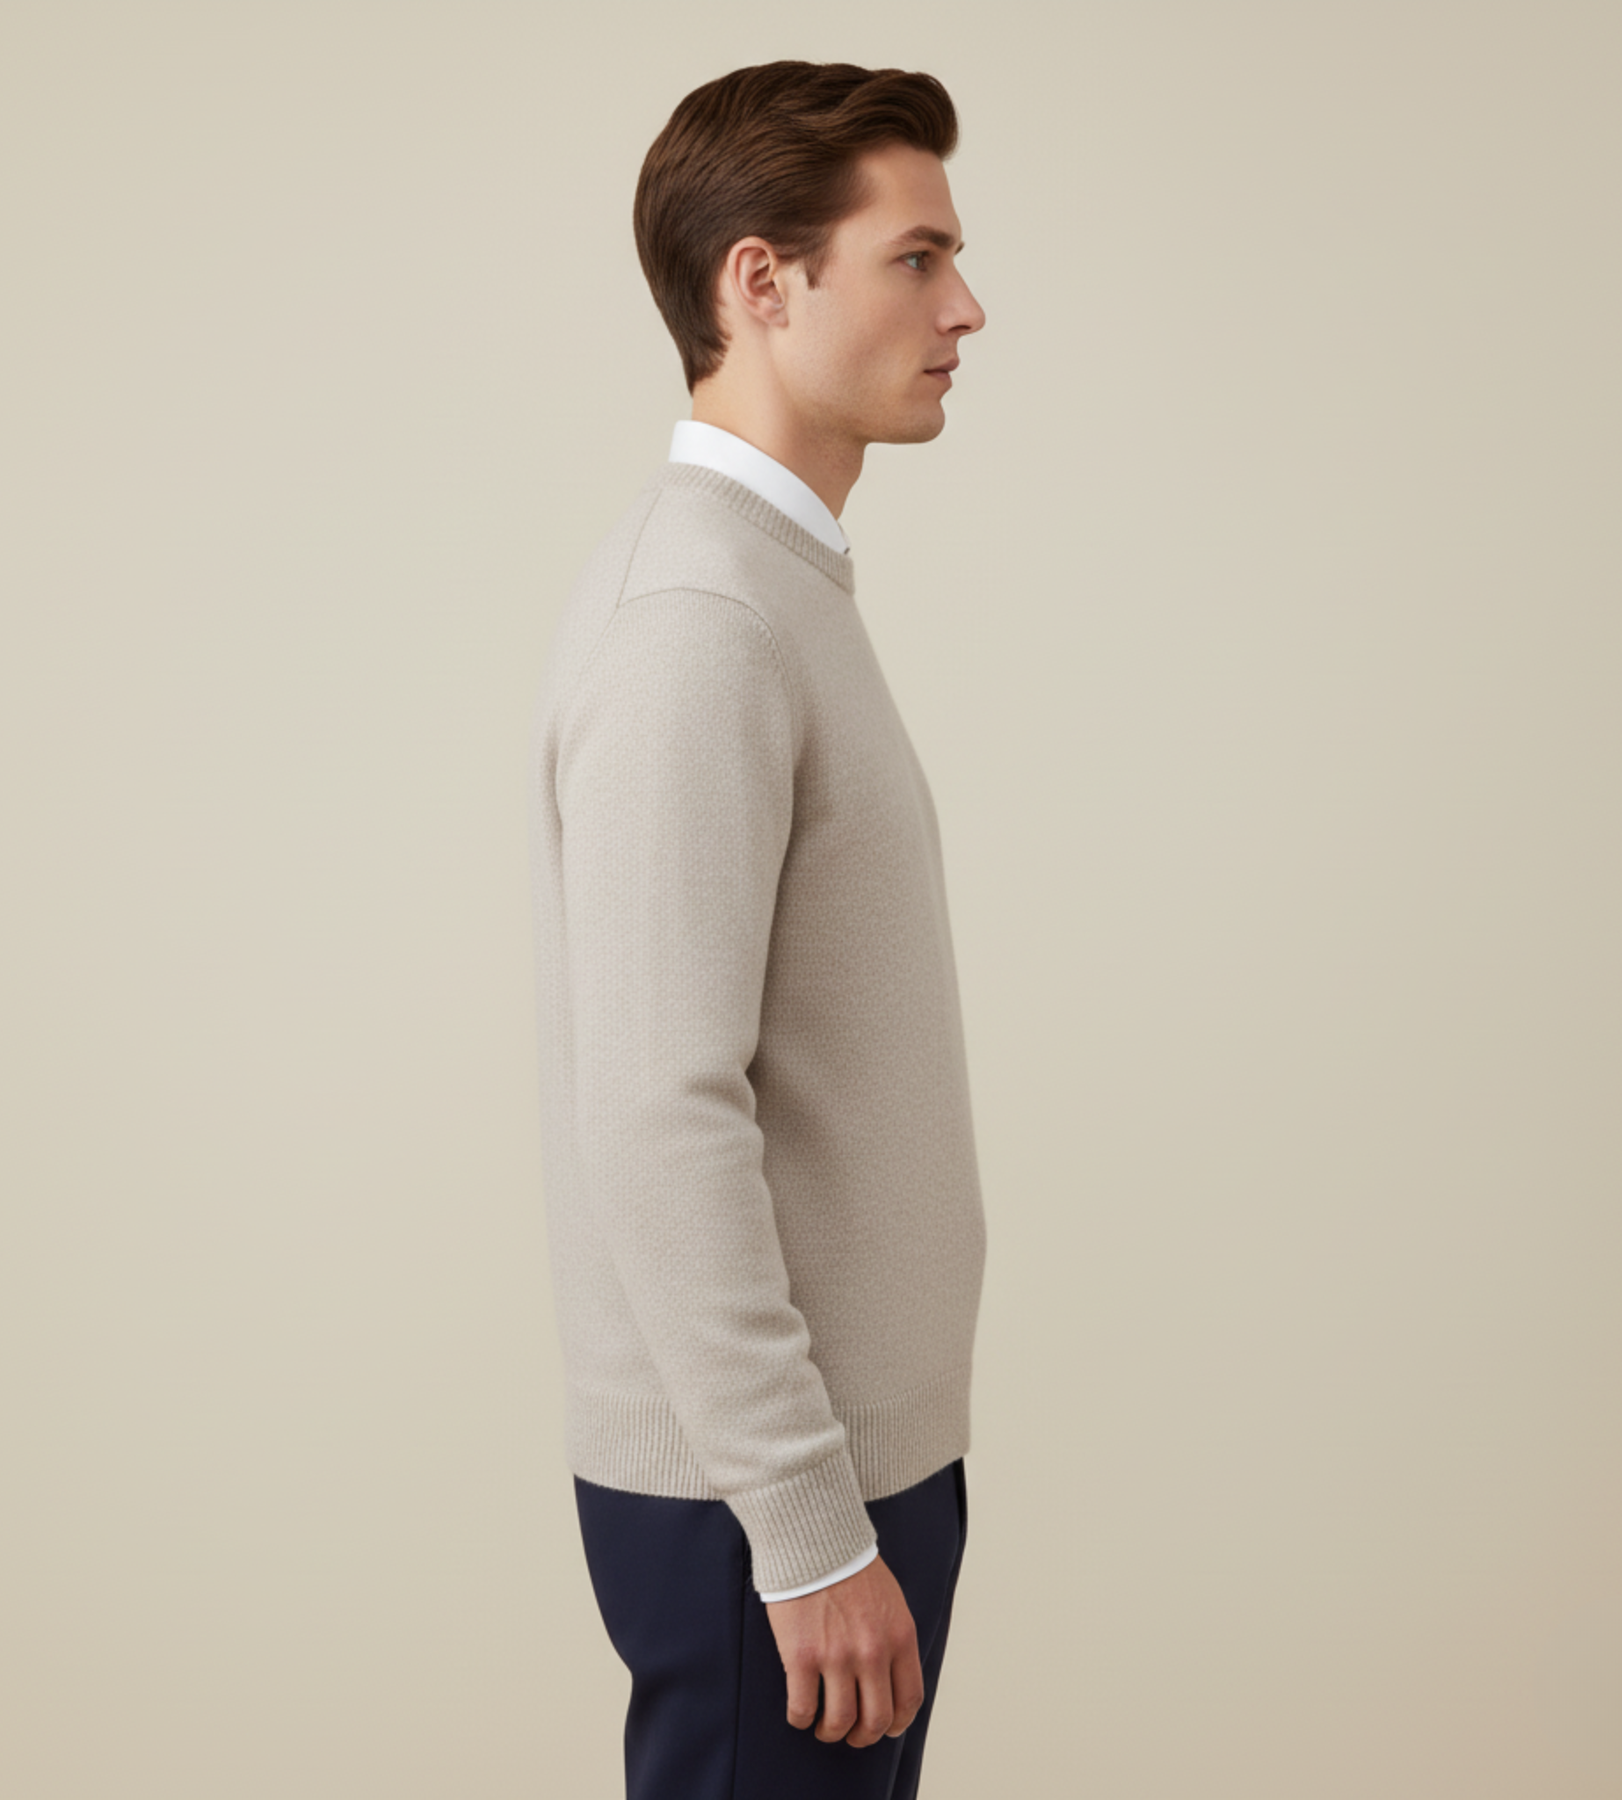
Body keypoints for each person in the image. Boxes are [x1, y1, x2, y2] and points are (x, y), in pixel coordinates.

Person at [527, 59, 989, 1800]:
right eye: (917, 257)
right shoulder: (698, 622)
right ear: (761, 282)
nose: (965, 307)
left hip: (829, 1474)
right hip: (767, 1503)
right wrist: (804, 1527)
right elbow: (659, 1111)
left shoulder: (769, 588)